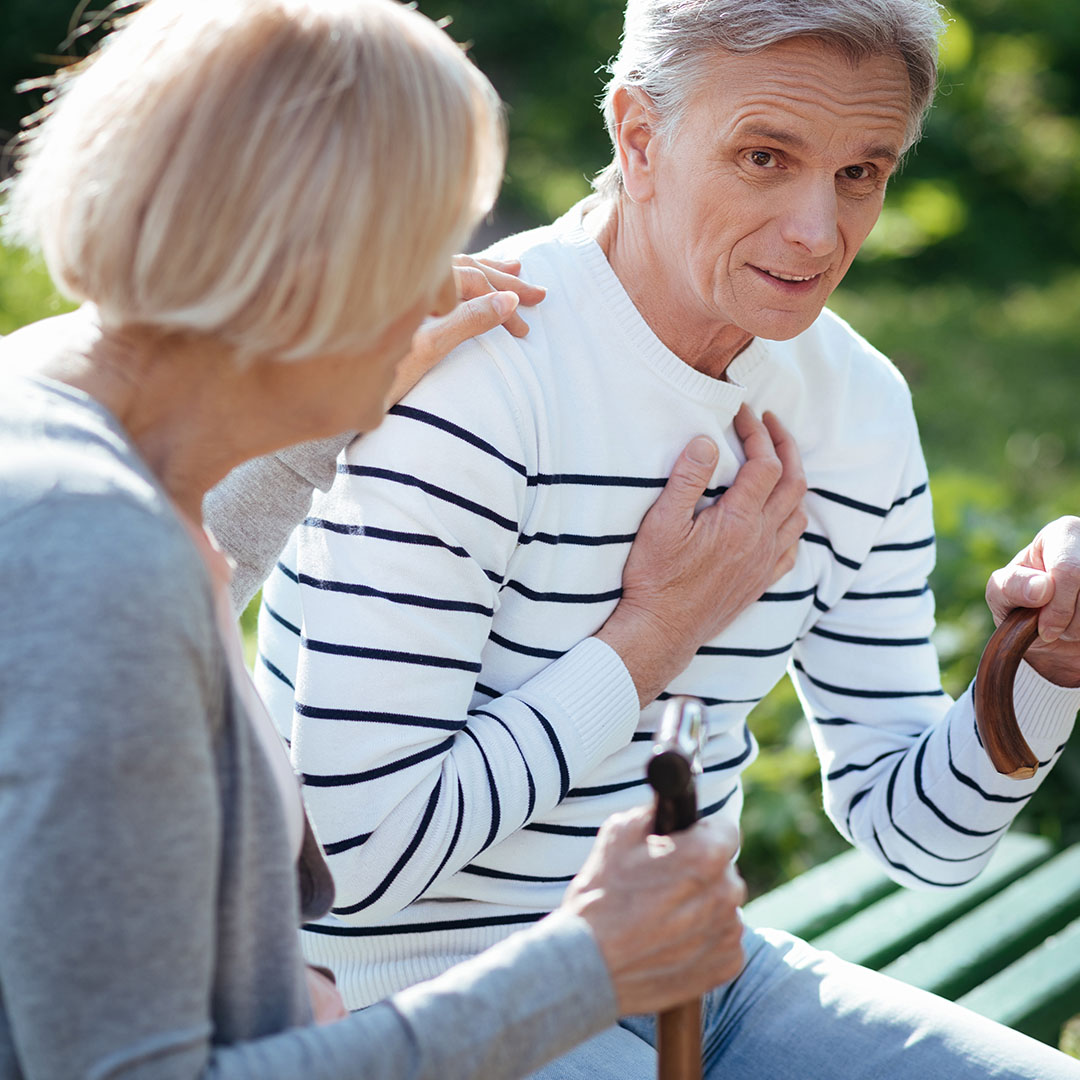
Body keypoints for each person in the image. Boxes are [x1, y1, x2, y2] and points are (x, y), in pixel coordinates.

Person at [240, 0, 1080, 1077]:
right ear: (637, 139)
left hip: (697, 977)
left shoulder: (859, 409)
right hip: (407, 997)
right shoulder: (469, 366)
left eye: (861, 173)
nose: (818, 234)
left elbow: (922, 836)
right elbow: (361, 861)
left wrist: (1043, 665)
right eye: (764, 157)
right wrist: (656, 633)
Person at [0, 1, 754, 1077]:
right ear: (312, 261)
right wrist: (591, 961)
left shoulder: (43, 407)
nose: (448, 276)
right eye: (428, 235)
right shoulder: (94, 560)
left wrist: (311, 421)